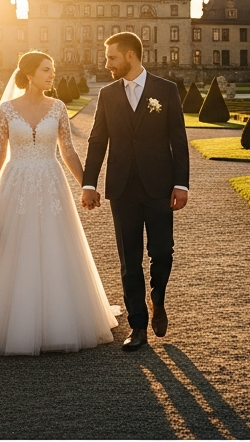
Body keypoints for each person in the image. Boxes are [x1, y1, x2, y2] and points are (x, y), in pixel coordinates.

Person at [0, 51, 119, 355]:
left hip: (52, 183)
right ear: (29, 74)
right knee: (14, 245)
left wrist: (87, 186)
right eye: (46, 70)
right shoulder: (7, 110)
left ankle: (59, 320)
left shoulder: (58, 107)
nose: (52, 75)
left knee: (57, 245)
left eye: (52, 70)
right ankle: (10, 320)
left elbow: (68, 151)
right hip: (16, 184)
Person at [81, 32, 189, 351]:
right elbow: (98, 141)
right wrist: (89, 183)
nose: (106, 63)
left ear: (130, 56)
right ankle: (138, 326)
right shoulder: (107, 94)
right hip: (122, 187)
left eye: (111, 57)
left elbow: (178, 141)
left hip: (159, 185)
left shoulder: (165, 90)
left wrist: (181, 184)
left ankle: (158, 297)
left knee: (162, 252)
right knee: (129, 259)